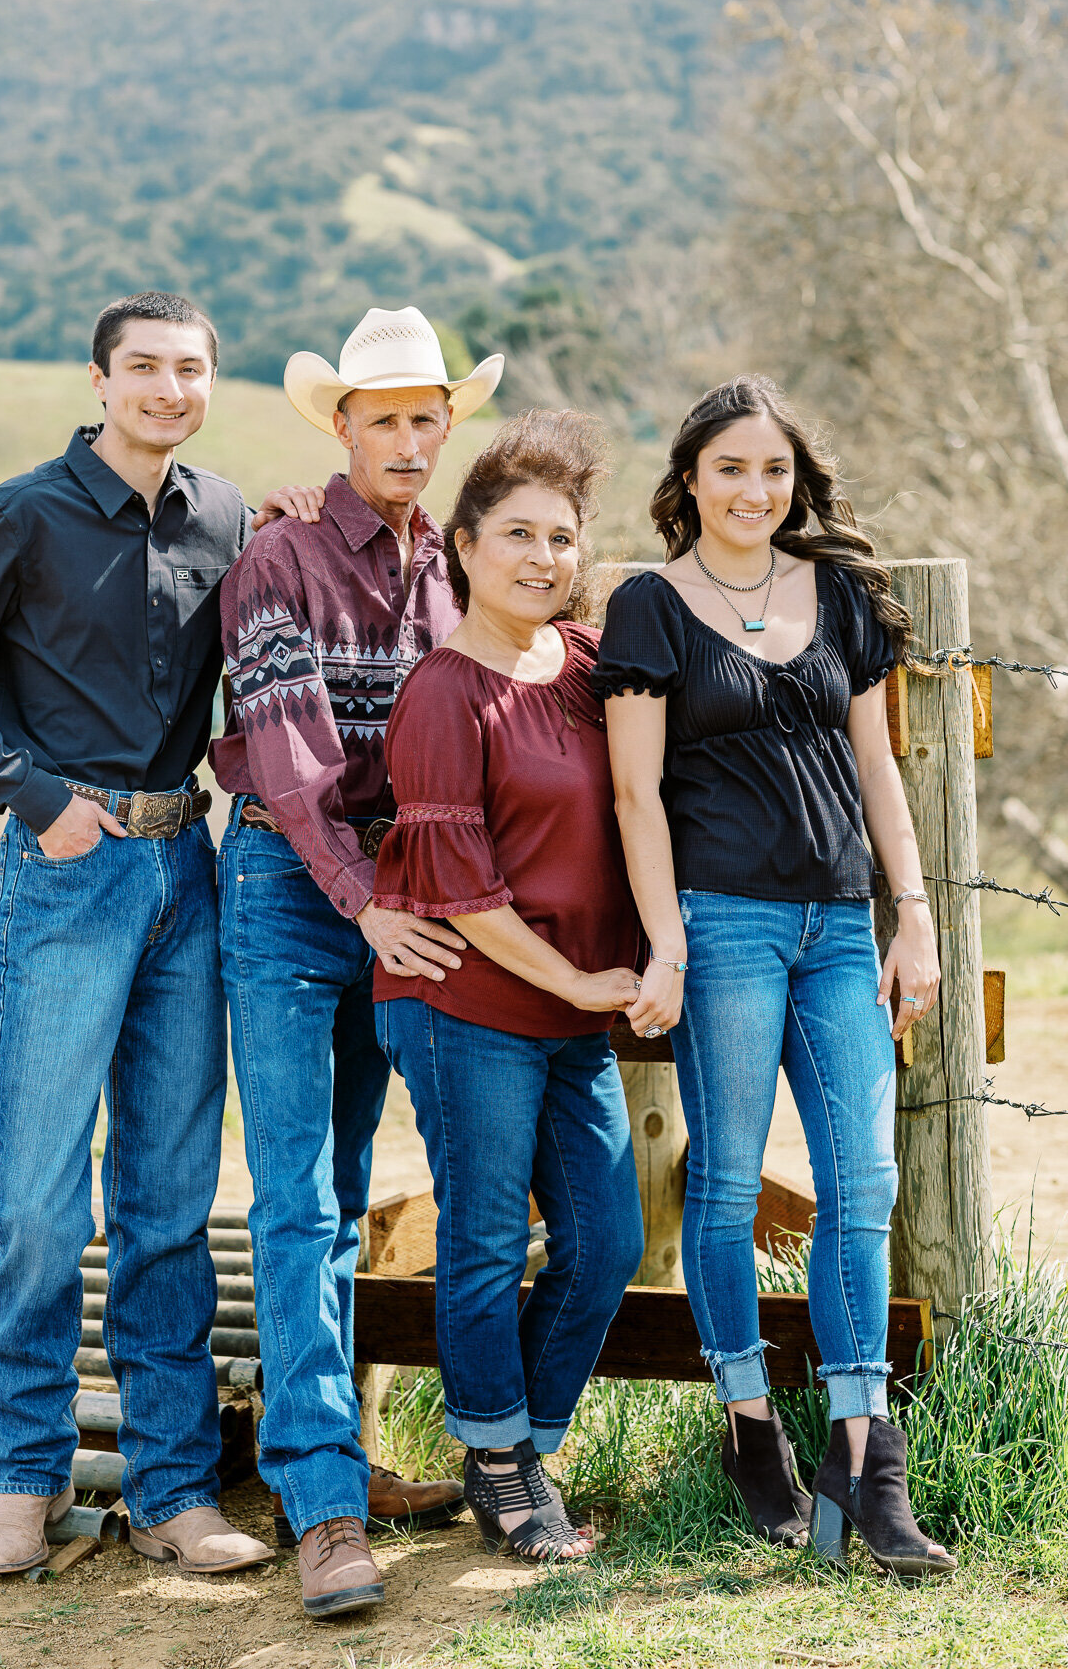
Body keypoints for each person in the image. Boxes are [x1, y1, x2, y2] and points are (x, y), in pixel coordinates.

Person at [0, 292, 272, 1577]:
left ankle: (171, 1492)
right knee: (40, 1199)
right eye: (144, 367)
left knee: (165, 1198)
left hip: (189, 871)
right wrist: (38, 803)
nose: (169, 387)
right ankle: (24, 1480)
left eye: (190, 368)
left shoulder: (225, 518)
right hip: (69, 872)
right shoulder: (14, 515)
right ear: (98, 378)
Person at [594, 374, 956, 1577]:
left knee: (865, 1178)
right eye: (733, 468)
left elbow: (879, 768)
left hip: (841, 928)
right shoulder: (648, 606)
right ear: (689, 478)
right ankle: (751, 1424)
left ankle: (866, 1451)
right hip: (725, 924)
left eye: (776, 471)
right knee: (729, 1182)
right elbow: (635, 791)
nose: (756, 491)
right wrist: (668, 939)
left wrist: (913, 915)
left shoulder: (841, 596)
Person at [211, 307, 504, 1619]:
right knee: (295, 1196)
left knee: (370, 1176)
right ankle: (324, 1509)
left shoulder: (459, 563)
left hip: (405, 893)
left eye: (424, 415)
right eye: (380, 416)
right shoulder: (276, 557)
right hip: (290, 881)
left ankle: (366, 1458)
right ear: (341, 427)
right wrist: (361, 899)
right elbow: (289, 757)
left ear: (449, 426)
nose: (404, 436)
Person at [371, 410, 645, 1562]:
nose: (542, 558)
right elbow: (471, 899)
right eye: (517, 534)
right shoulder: (443, 693)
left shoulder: (588, 668)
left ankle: (517, 1443)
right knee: (485, 1238)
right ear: (463, 549)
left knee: (607, 1241)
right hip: (464, 1003)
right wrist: (586, 987)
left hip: (564, 1002)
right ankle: (501, 1465)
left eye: (563, 537)